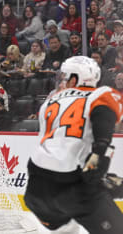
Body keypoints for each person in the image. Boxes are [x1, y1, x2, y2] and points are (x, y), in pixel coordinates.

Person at [25, 56, 123, 234]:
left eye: (65, 76)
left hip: (36, 191)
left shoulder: (50, 101)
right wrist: (99, 154)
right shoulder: (99, 94)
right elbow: (103, 128)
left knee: (66, 227)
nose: (62, 80)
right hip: (72, 185)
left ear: (76, 78)